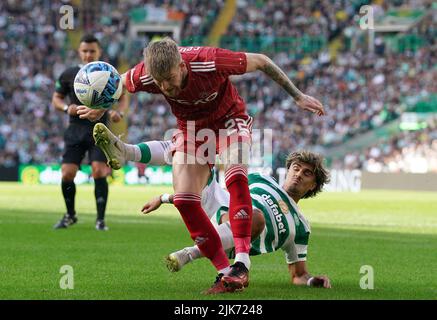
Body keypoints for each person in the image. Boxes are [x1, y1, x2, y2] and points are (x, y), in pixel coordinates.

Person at [78, 38, 325, 290]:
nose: (165, 86)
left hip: (230, 121)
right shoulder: (146, 75)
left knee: (236, 175)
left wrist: (297, 95)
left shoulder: (209, 61)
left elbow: (262, 61)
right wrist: (102, 104)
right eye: (158, 81)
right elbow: (117, 82)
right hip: (193, 130)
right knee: (186, 200)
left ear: (183, 67)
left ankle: (241, 262)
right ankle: (226, 272)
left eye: (170, 78)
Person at [141, 150, 332, 293]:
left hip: (238, 240)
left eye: (307, 173)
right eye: (296, 168)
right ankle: (128, 149)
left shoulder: (301, 227)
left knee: (255, 217)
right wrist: (164, 198)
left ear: (313, 185)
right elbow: (223, 194)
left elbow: (298, 275)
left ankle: (189, 254)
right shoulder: (261, 179)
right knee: (196, 159)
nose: (298, 174)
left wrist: (311, 280)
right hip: (222, 211)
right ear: (288, 169)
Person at [52, 34, 127, 231]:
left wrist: (119, 112)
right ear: (79, 52)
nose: (88, 55)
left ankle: (100, 220)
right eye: (85, 51)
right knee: (67, 173)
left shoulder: (108, 73)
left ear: (99, 52)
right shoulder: (68, 74)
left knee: (99, 171)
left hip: (99, 130)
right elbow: (56, 99)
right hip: (75, 128)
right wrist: (65, 108)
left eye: (92, 51)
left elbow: (123, 96)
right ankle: (70, 215)